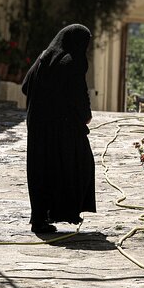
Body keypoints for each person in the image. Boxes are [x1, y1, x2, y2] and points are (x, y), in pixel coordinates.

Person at [21, 24, 96, 233]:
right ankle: (66, 211)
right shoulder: (73, 61)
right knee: (78, 166)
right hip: (63, 128)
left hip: (38, 126)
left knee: (41, 170)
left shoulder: (44, 57)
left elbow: (25, 86)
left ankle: (39, 219)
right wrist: (84, 115)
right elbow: (79, 94)